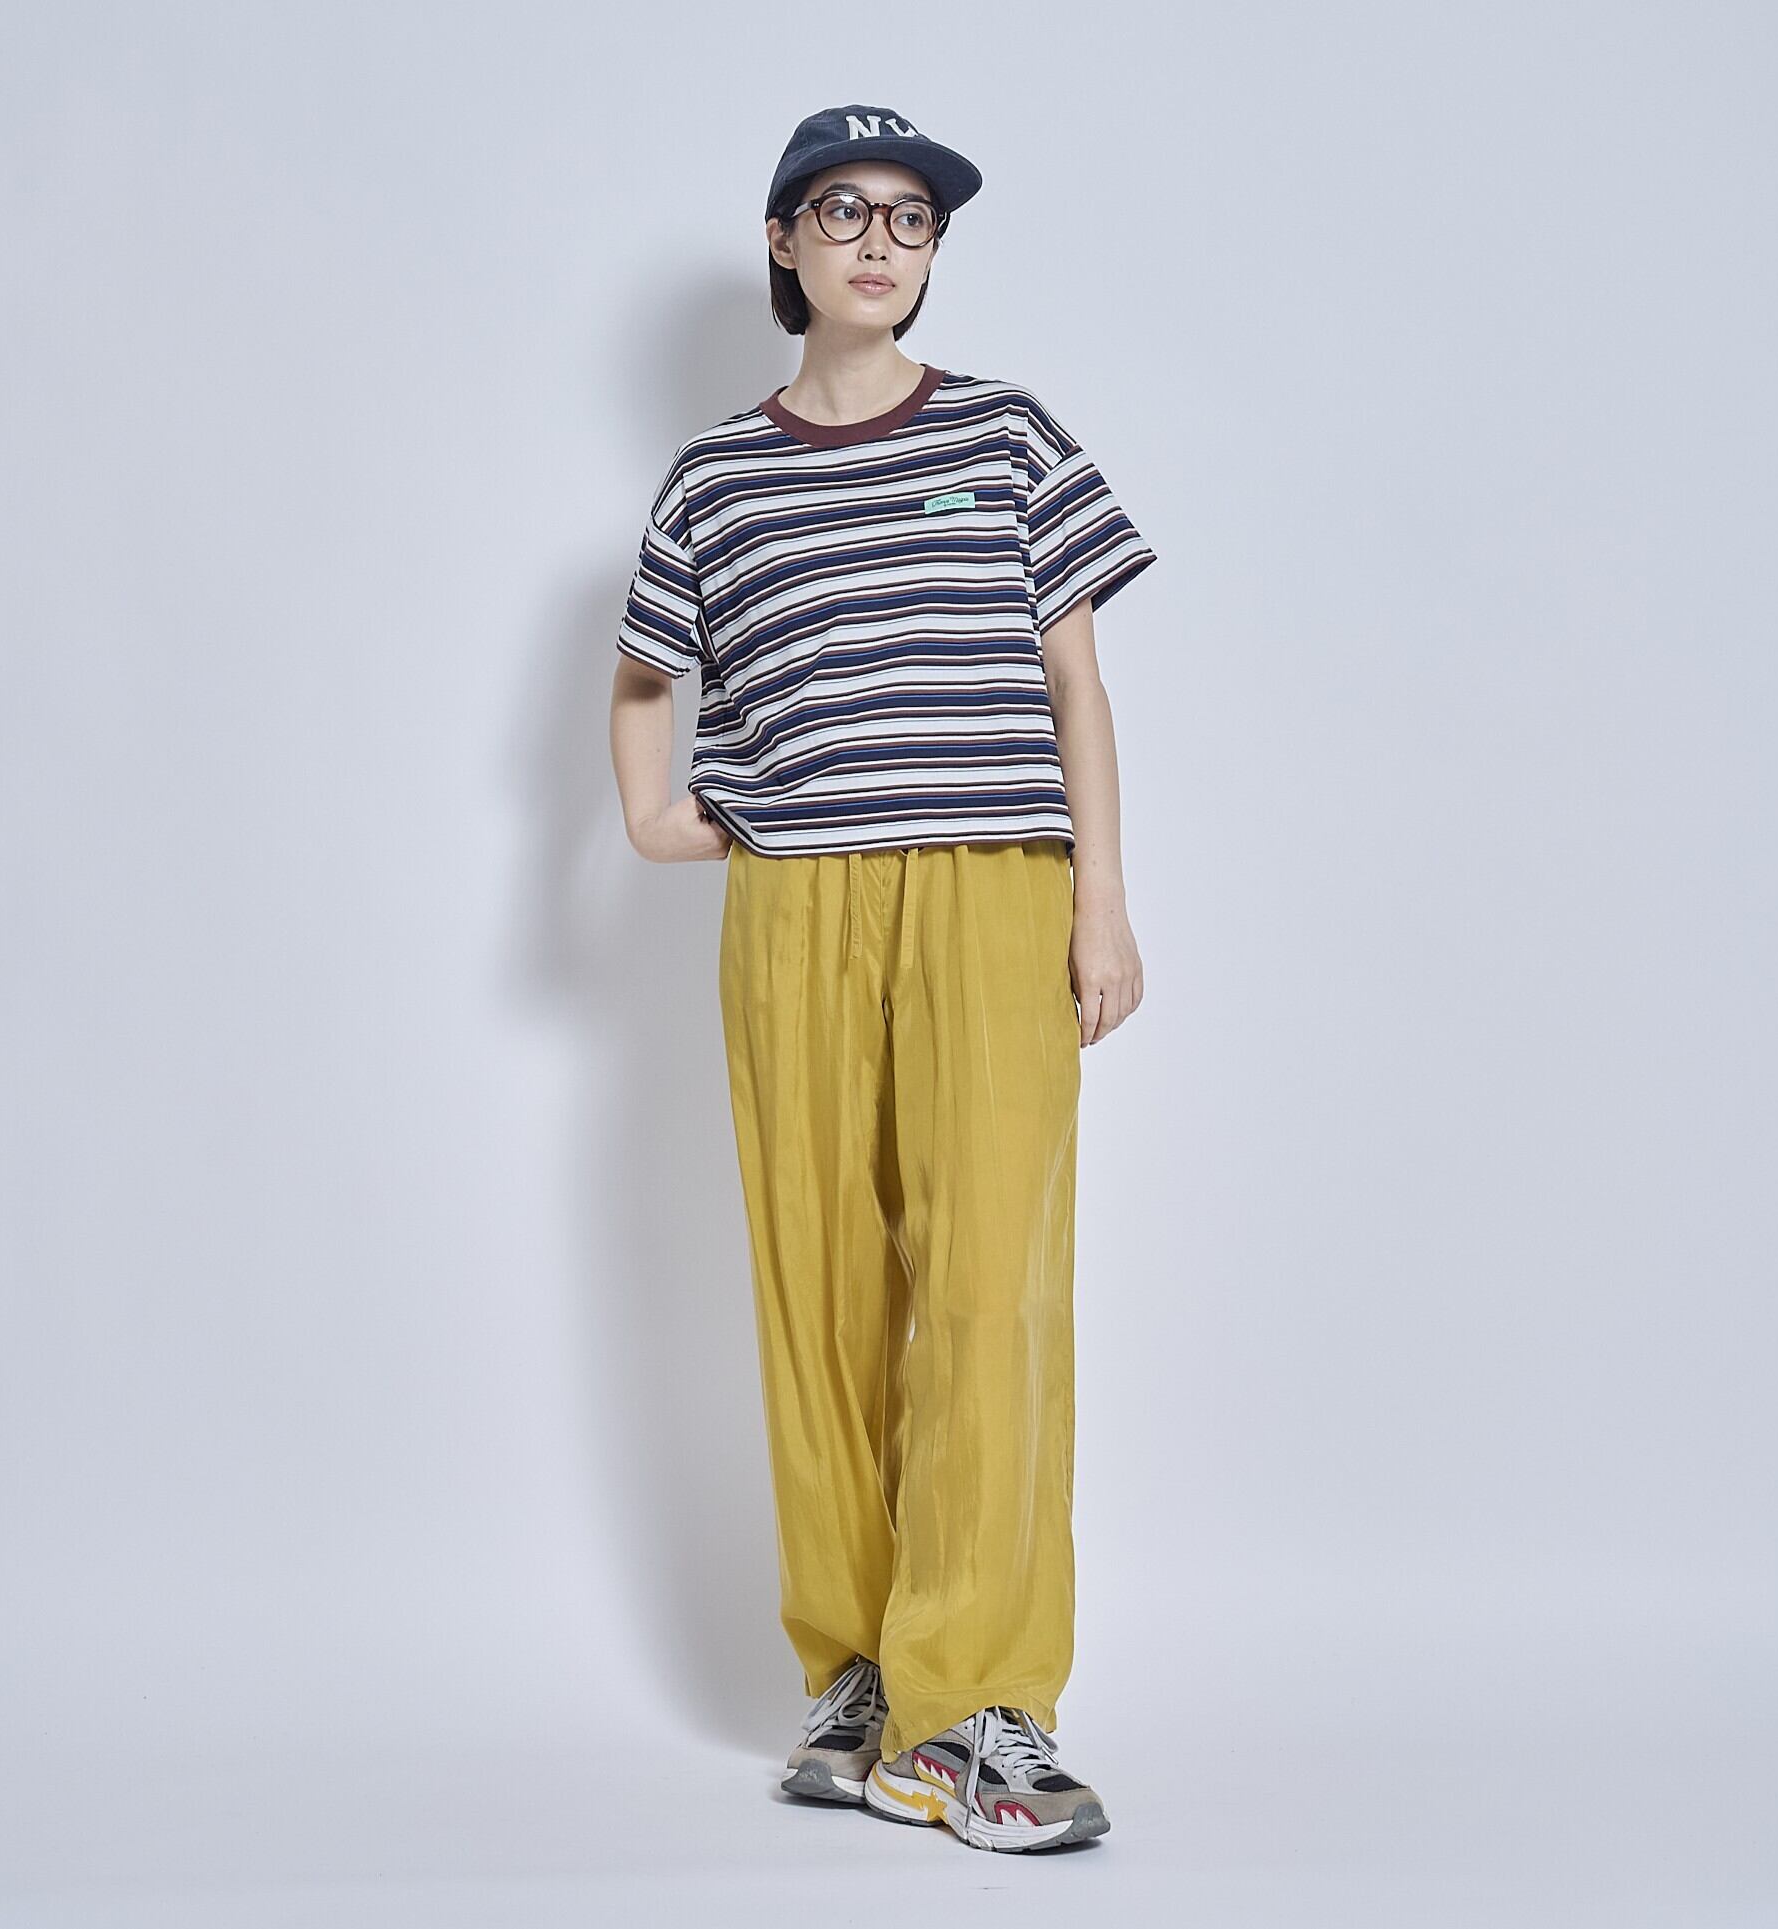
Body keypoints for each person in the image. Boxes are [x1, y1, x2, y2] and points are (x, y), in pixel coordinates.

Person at [607, 104, 1158, 1855]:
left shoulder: (1005, 432)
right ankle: (857, 1673)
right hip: (794, 908)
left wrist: (1100, 902)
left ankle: (975, 1702)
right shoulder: (713, 477)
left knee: (989, 1286)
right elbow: (646, 676)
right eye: (841, 210)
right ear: (783, 242)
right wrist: (658, 817)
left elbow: (1074, 684)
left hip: (994, 891)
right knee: (820, 1289)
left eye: (909, 219)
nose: (876, 242)